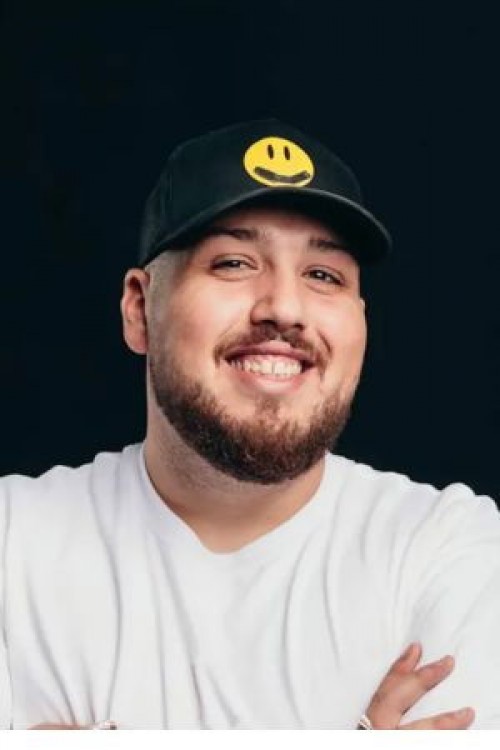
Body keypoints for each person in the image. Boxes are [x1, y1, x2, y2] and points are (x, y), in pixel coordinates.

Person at [1, 119, 499, 730]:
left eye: (323, 276)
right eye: (234, 263)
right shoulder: (13, 542)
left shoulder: (449, 549)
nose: (284, 308)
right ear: (139, 309)